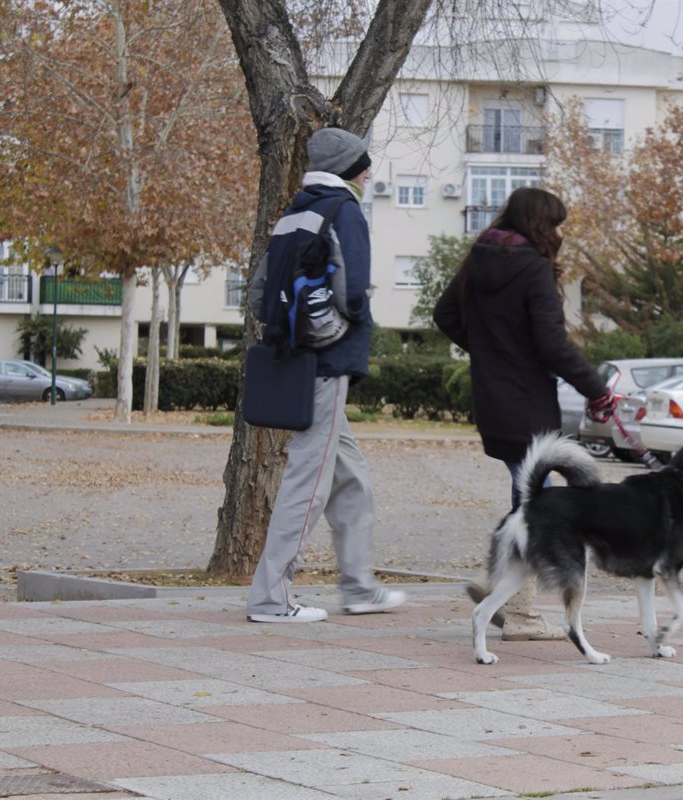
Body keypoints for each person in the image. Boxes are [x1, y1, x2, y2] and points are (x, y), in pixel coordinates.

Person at [433, 186, 616, 640]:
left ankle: (503, 591)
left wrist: (493, 351)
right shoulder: (532, 269)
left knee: (528, 494)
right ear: (538, 224)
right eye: (554, 224)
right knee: (535, 500)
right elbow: (552, 344)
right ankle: (518, 610)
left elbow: (444, 315)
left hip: (493, 397)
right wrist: (597, 390)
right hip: (527, 399)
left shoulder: (480, 258)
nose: (558, 233)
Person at [245, 127, 405, 623]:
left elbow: (256, 294)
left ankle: (358, 587)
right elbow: (353, 289)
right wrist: (347, 323)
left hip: (297, 358)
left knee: (352, 480)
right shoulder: (346, 209)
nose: (370, 172)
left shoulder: (295, 212)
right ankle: (271, 598)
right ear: (349, 168)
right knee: (308, 484)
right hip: (328, 363)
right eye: (364, 164)